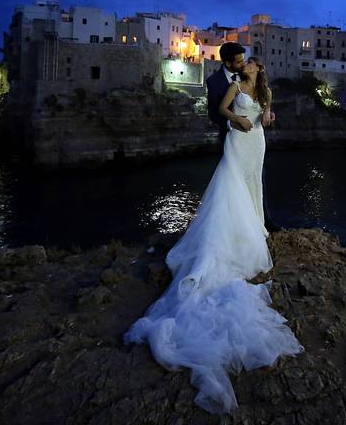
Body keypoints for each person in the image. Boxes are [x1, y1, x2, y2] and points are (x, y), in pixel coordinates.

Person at [123, 56, 304, 414]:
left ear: (258, 70)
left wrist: (267, 117)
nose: (250, 63)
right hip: (237, 142)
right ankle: (234, 233)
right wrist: (238, 118)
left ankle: (256, 224)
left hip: (258, 143)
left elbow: (267, 115)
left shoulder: (264, 88)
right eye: (248, 60)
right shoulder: (236, 85)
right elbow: (222, 110)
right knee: (231, 185)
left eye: (253, 62)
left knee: (253, 184)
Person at [205, 42, 282, 232]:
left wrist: (268, 114)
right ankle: (231, 225)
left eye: (244, 60)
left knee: (257, 178)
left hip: (255, 139)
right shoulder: (214, 82)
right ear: (228, 62)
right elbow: (215, 113)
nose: (242, 63)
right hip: (233, 138)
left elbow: (261, 104)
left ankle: (263, 221)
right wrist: (233, 122)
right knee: (232, 181)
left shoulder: (248, 75)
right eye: (239, 61)